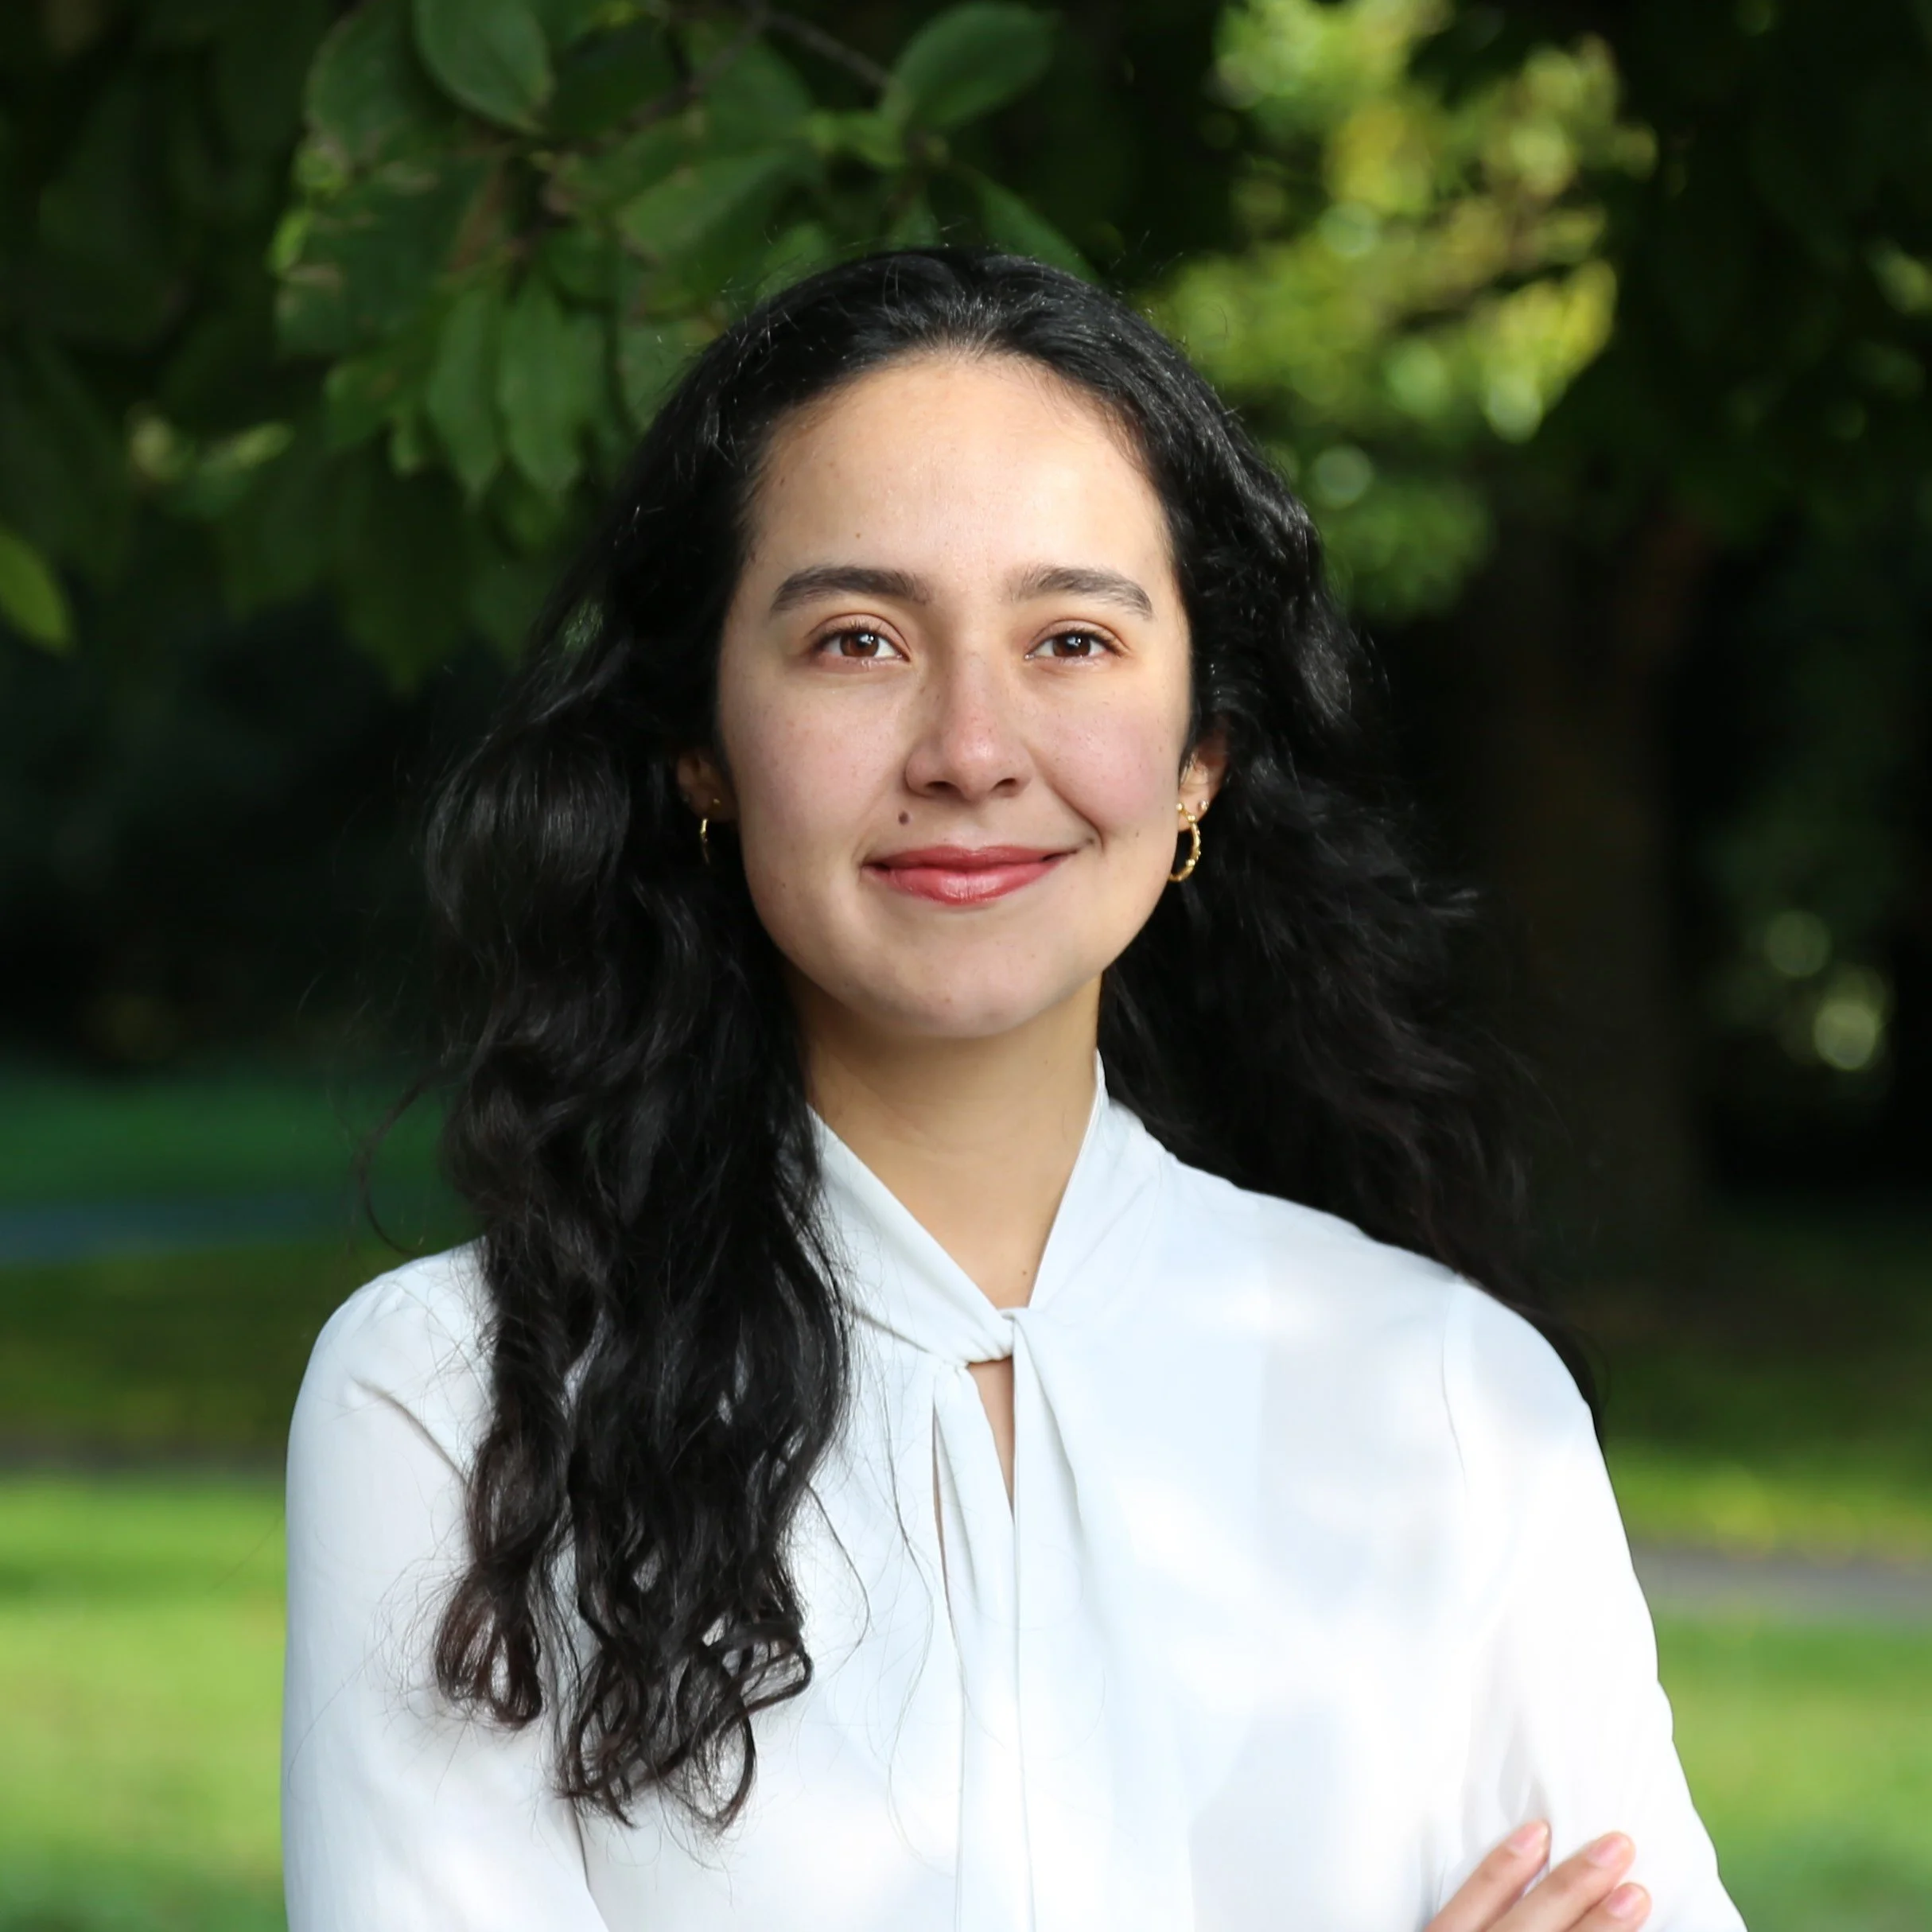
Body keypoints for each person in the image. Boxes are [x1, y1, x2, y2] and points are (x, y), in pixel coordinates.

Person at [281, 247, 1744, 1932]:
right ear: (698, 741)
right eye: (854, 639)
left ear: (1199, 752)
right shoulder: (459, 1403)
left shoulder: (1450, 1398)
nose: (970, 747)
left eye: (1069, 636)